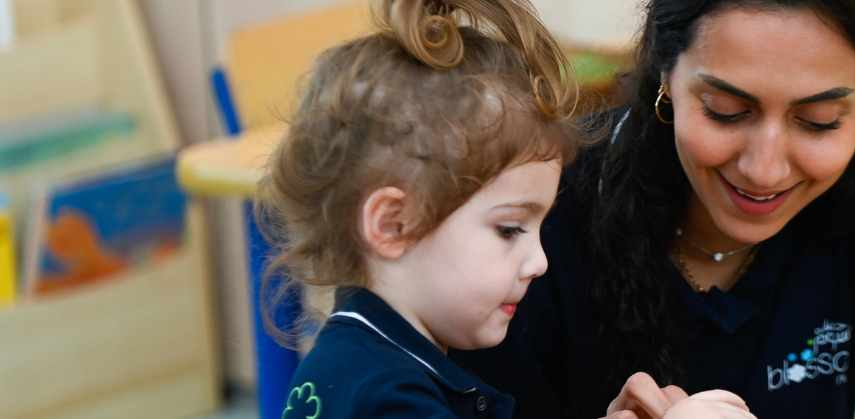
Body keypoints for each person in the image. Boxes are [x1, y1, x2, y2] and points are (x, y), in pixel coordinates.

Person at [453, 1, 855, 418]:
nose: (765, 169)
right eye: (725, 110)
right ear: (666, 75)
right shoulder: (547, 202)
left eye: (819, 123)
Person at [257, 1, 752, 417]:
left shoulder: (368, 362)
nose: (540, 262)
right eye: (510, 228)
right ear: (392, 224)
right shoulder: (392, 400)